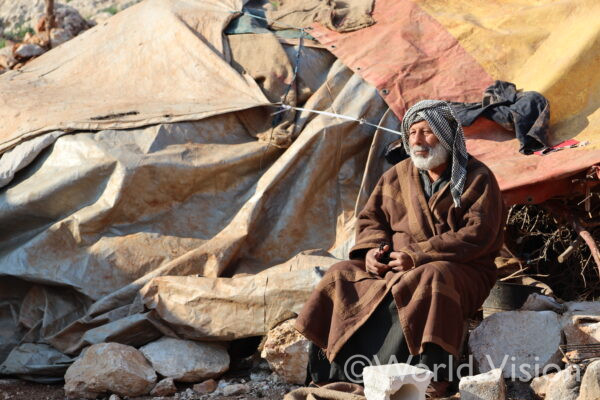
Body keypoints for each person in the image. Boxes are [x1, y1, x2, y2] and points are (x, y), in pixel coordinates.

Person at [294, 100, 506, 397]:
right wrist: (372, 253)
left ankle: (432, 377)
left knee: (431, 276)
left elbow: (477, 235)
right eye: (412, 133)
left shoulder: (477, 177)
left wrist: (417, 256)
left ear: (446, 135)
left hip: (461, 267)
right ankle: (332, 373)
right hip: (395, 262)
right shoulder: (396, 175)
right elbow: (371, 219)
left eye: (428, 132)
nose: (417, 141)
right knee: (341, 274)